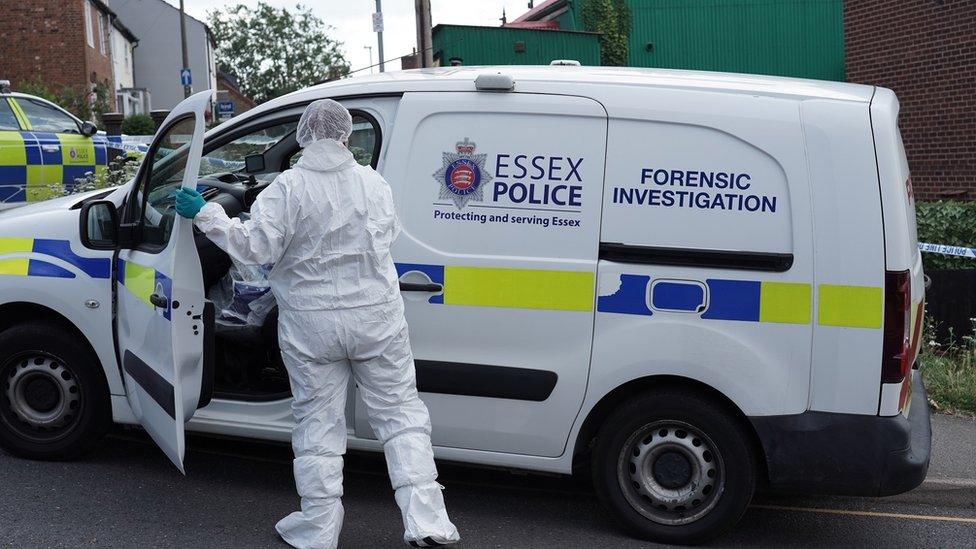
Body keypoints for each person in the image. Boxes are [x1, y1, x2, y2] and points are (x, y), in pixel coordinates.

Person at [174, 99, 460, 549]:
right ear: (346, 137)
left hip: (311, 326)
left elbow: (255, 249)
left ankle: (318, 529)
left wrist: (206, 214)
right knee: (402, 418)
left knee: (318, 426)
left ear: (305, 136)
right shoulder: (374, 184)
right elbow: (387, 238)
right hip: (376, 319)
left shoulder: (286, 189)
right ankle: (427, 522)